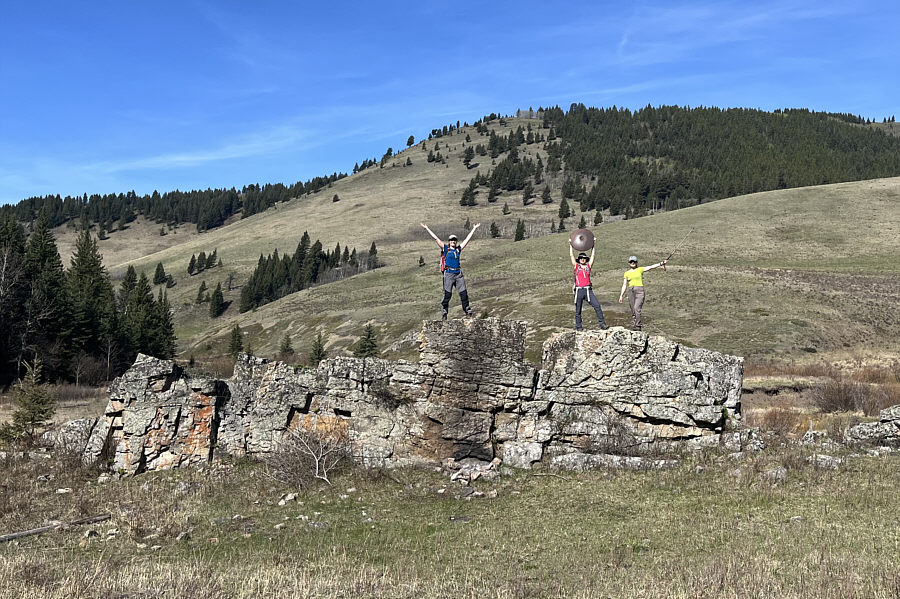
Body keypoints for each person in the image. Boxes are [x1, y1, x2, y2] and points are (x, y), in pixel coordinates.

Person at [420, 222, 480, 319]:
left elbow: (467, 240)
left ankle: (468, 312)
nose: (453, 241)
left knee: (464, 294)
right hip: (448, 274)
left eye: (455, 240)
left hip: (458, 274)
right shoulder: (445, 248)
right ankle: (444, 313)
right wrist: (427, 228)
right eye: (451, 240)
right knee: (447, 295)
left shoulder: (458, 249)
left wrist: (474, 228)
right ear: (449, 241)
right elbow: (436, 239)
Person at [618, 255, 667, 331]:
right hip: (631, 291)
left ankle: (638, 326)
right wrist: (621, 295)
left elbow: (651, 267)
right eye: (631, 261)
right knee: (633, 310)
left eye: (634, 261)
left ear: (637, 262)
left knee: (637, 308)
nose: (633, 263)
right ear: (629, 263)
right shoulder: (626, 273)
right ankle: (634, 325)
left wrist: (661, 263)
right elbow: (624, 285)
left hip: (639, 291)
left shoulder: (640, 269)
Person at [569, 244, 608, 331]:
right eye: (581, 258)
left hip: (588, 291)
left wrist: (593, 245)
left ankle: (602, 324)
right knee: (578, 310)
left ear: (586, 260)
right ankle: (579, 327)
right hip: (579, 291)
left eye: (584, 258)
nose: (582, 259)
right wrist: (571, 245)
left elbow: (593, 255)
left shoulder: (588, 267)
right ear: (579, 260)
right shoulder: (576, 267)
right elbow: (571, 255)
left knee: (597, 306)